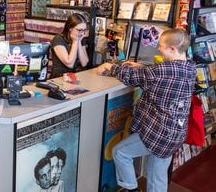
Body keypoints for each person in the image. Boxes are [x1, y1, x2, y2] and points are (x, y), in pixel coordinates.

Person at [96, 28, 196, 192]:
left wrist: (110, 66)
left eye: (161, 46)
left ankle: (131, 189)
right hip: (176, 132)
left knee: (120, 153)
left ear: (172, 48)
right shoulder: (190, 68)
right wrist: (143, 66)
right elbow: (162, 72)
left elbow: (133, 77)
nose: (158, 49)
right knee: (158, 176)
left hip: (159, 134)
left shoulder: (159, 73)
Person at [50, 13, 89, 78]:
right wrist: (75, 41)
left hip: (75, 78)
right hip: (60, 79)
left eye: (84, 30)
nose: (82, 33)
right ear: (70, 28)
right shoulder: (58, 39)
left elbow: (84, 62)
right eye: (79, 30)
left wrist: (78, 41)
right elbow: (69, 64)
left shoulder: (80, 39)